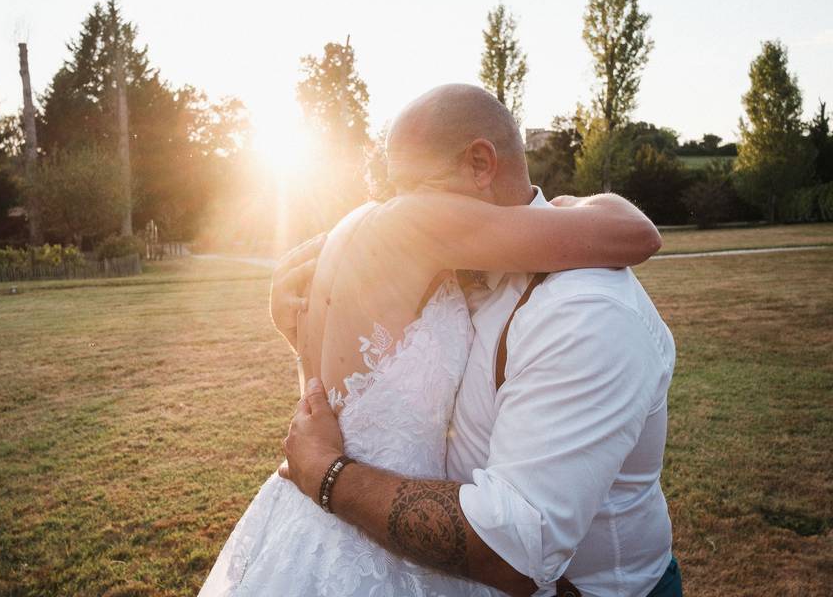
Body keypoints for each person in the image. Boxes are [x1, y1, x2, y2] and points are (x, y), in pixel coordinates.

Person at [201, 84, 677, 596]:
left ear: (480, 163)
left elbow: (512, 553)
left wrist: (329, 474)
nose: (397, 207)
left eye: (413, 186)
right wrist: (302, 329)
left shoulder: (584, 309)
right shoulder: (422, 249)